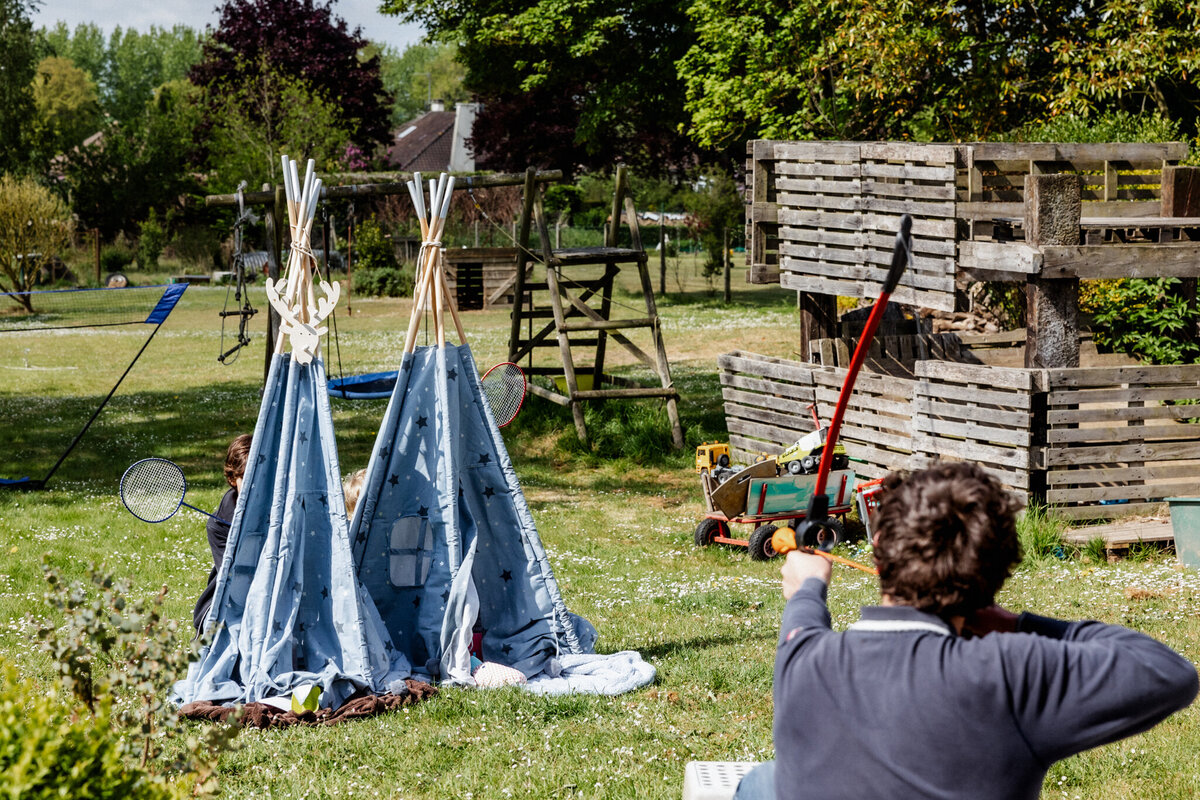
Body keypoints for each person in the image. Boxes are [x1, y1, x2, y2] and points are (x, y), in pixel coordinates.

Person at [735, 461, 1198, 800]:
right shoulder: (1008, 671)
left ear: (877, 551)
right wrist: (1016, 623)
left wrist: (808, 589)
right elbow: (1167, 671)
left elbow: (803, 613)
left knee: (760, 784)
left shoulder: (803, 660)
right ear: (993, 577)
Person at [192, 434, 251, 633]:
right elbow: (236, 582)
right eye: (247, 479)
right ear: (233, 479)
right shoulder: (218, 526)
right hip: (230, 602)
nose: (255, 487)